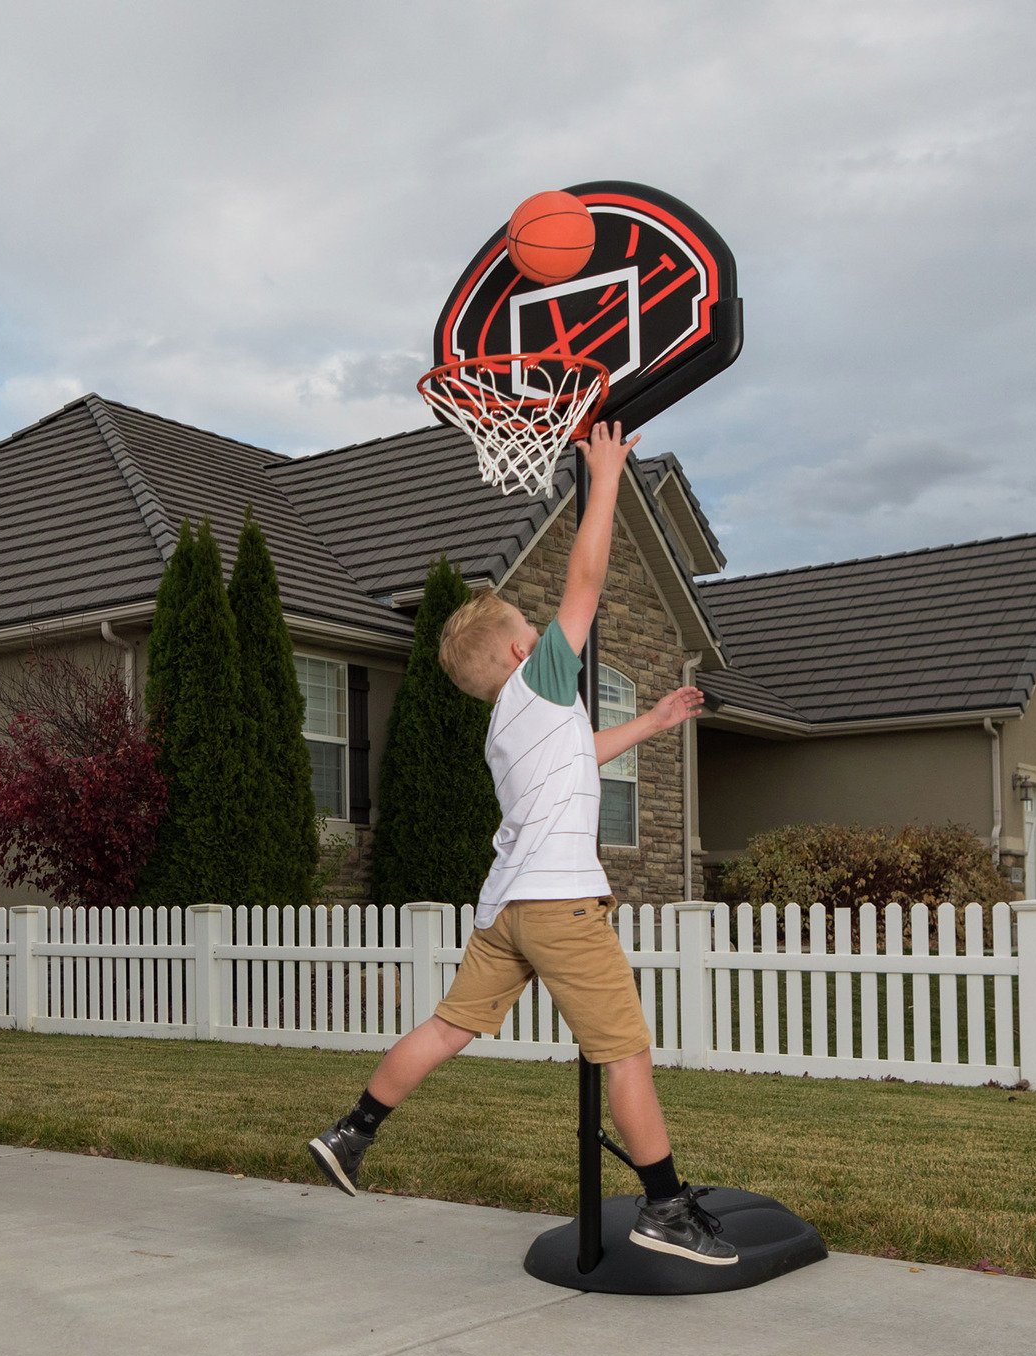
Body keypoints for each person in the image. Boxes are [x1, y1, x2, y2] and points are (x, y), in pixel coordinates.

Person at [308, 420, 736, 1266]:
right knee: (626, 1053)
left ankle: (353, 1132)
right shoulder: (540, 677)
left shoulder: (516, 724)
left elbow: (582, 754)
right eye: (534, 634)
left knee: (445, 1026)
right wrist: (606, 475)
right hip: (562, 903)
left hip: (505, 907)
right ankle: (663, 1207)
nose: (548, 638)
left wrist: (649, 721)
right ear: (517, 650)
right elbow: (585, 581)